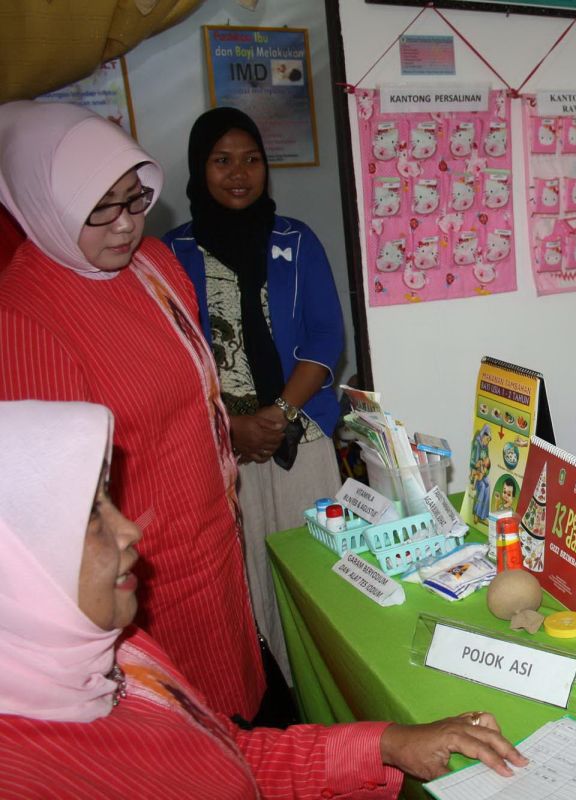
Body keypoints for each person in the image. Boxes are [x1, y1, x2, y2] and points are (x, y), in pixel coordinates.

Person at [0, 400, 527, 796]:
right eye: (92, 516)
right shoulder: (28, 774)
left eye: (109, 502)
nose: (130, 532)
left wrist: (387, 743)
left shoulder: (122, 653)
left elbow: (225, 755)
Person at [0, 101, 264, 720]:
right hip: (143, 582)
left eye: (134, 199)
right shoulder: (24, 319)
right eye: (100, 208)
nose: (125, 225)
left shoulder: (153, 263)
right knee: (187, 738)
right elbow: (55, 517)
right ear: (41, 204)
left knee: (245, 721)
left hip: (215, 544)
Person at [162, 107, 345, 683]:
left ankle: (331, 683)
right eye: (222, 160)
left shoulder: (297, 239)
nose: (238, 173)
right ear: (199, 168)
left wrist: (279, 412)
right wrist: (231, 427)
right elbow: (168, 358)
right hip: (219, 449)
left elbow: (326, 335)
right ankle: (275, 698)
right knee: (241, 582)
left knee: (321, 572)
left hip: (300, 435)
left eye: (251, 159)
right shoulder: (168, 254)